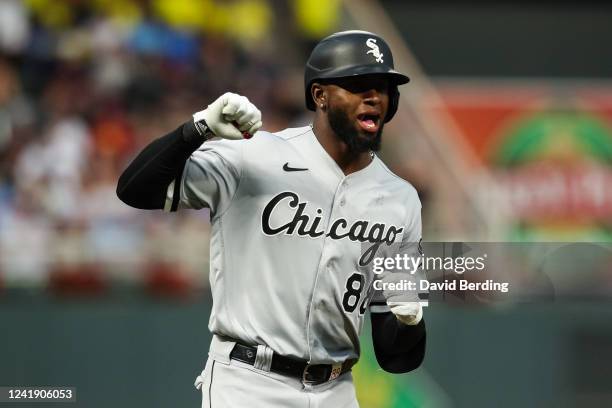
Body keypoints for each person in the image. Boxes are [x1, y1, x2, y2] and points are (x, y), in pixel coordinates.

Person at [117, 30, 425, 408]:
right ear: (320, 95)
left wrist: (409, 322)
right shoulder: (256, 156)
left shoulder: (400, 199)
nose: (374, 96)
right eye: (358, 84)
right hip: (249, 382)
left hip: (337, 389)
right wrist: (196, 129)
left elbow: (396, 358)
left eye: (383, 86)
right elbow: (134, 189)